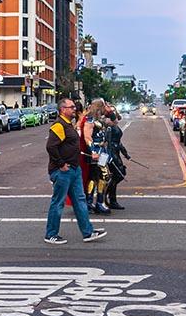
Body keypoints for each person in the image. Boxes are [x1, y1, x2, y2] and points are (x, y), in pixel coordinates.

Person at [44, 98, 106, 245]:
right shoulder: (59, 125)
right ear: (62, 109)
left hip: (74, 169)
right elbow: (51, 146)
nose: (74, 109)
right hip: (63, 171)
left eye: (73, 107)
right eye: (71, 107)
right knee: (58, 203)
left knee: (80, 201)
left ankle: (88, 232)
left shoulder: (68, 124)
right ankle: (51, 234)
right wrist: (61, 164)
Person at [104, 109, 130, 210]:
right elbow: (108, 143)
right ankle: (110, 198)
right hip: (112, 153)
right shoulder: (109, 128)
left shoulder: (114, 126)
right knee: (118, 174)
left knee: (120, 174)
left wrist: (125, 153)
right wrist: (110, 156)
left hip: (116, 151)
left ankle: (109, 195)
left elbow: (119, 142)